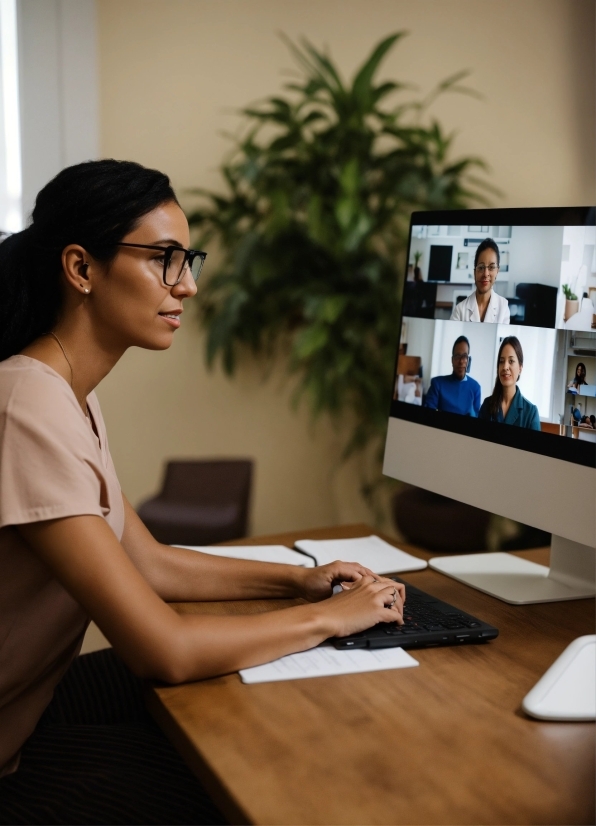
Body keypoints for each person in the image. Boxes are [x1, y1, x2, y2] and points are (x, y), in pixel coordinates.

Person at [0, 160, 405, 824]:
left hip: (25, 715)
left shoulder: (65, 393)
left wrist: (300, 581)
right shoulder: (27, 403)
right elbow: (167, 649)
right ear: (81, 269)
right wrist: (336, 617)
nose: (186, 286)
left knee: (220, 724)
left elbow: (150, 562)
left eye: (189, 261)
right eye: (164, 259)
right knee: (236, 785)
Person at [478, 336, 540, 429]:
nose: (505, 367)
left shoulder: (531, 413)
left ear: (520, 367)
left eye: (511, 361)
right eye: (501, 361)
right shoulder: (487, 405)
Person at [450, 238, 510, 323]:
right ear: (475, 272)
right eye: (481, 267)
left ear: (497, 271)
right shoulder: (460, 310)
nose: (486, 274)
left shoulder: (503, 307)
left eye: (491, 267)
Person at [424, 336, 481, 416]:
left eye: (464, 356)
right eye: (457, 356)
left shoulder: (475, 388)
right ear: (452, 360)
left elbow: (477, 421)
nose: (461, 361)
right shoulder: (437, 384)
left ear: (468, 360)